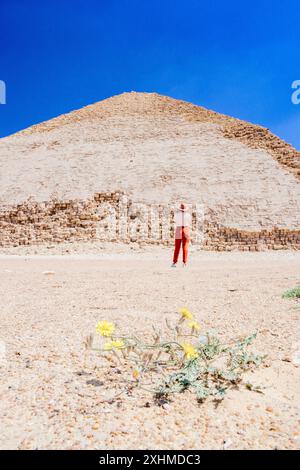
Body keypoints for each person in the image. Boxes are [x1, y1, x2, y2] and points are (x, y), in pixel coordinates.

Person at [171, 203, 191, 267]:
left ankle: (174, 262)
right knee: (185, 247)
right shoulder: (188, 215)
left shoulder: (176, 215)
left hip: (178, 229)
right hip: (186, 229)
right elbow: (189, 222)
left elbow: (175, 221)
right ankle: (184, 263)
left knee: (177, 247)